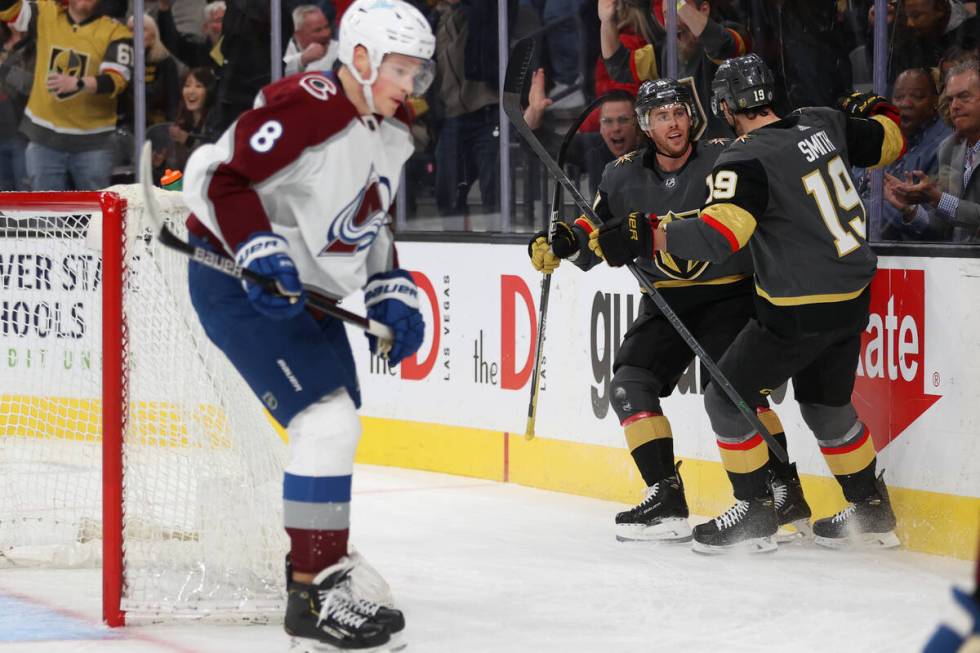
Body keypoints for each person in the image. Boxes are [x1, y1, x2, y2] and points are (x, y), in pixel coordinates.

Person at [180, 0, 435, 648]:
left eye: (417, 74)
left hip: (308, 290)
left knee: (337, 419)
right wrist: (255, 247)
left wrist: (387, 279)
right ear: (359, 59)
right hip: (239, 281)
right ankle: (312, 597)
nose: (410, 88)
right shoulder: (310, 104)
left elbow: (368, 214)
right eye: (400, 71)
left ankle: (319, 568)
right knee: (325, 420)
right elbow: (215, 175)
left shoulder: (392, 124)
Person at [588, 54, 906, 553]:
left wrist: (650, 233)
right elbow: (889, 138)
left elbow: (719, 236)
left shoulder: (745, 156)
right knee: (825, 405)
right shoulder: (821, 121)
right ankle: (870, 510)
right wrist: (879, 107)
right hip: (851, 295)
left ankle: (756, 511)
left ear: (719, 106)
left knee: (726, 395)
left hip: (797, 304)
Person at [527, 78, 811, 544]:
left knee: (737, 391)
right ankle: (666, 496)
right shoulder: (620, 174)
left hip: (730, 295)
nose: (673, 123)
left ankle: (783, 490)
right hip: (664, 302)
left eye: (678, 113)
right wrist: (562, 241)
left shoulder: (726, 155)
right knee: (628, 386)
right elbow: (594, 226)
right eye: (661, 116)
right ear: (645, 124)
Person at [0, 0, 133, 191]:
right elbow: (9, 12)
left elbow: (117, 79)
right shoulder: (46, 12)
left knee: (95, 214)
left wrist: (78, 83)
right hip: (44, 138)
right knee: (47, 214)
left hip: (93, 142)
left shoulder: (115, 31)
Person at [599, 0, 748, 139]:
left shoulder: (730, 33)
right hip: (689, 158)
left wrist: (679, 5)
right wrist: (607, 22)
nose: (673, 23)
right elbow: (620, 68)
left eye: (678, 11)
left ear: (704, 9)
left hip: (730, 152)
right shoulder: (665, 52)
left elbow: (722, 46)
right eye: (667, 14)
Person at [886, 59, 980, 242]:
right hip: (955, 266)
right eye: (951, 99)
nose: (955, 106)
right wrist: (909, 209)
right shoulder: (949, 148)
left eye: (964, 96)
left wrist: (937, 198)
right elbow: (944, 228)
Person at [853, 67, 950, 240]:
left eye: (917, 97)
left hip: (914, 253)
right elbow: (853, 179)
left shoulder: (946, 145)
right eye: (898, 97)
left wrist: (859, 208)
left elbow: (937, 224)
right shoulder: (882, 132)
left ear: (934, 101)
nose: (906, 103)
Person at [524, 67, 644, 192]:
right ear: (601, 127)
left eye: (623, 120)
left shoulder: (657, 149)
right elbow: (536, 143)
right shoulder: (595, 147)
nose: (616, 128)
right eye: (608, 121)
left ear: (638, 123)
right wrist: (534, 110)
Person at [126, 14, 180, 126]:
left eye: (142, 29)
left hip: (157, 120)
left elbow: (170, 97)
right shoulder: (124, 61)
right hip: (128, 120)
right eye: (130, 30)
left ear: (153, 35)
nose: (135, 34)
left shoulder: (165, 61)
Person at [157, 0, 225, 71]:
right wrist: (164, 7)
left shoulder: (236, 50)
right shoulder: (196, 50)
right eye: (219, 20)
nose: (225, 24)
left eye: (227, 20)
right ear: (205, 27)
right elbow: (172, 41)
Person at [170, 66, 215, 168]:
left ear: (209, 91)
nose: (191, 91)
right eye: (187, 85)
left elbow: (213, 154)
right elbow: (176, 167)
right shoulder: (181, 119)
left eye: (198, 86)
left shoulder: (216, 120)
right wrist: (161, 163)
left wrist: (188, 140)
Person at [284, 5, 338, 75]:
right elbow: (279, 73)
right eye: (318, 30)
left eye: (326, 27)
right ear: (299, 35)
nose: (326, 34)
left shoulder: (339, 50)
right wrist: (303, 60)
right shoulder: (283, 47)